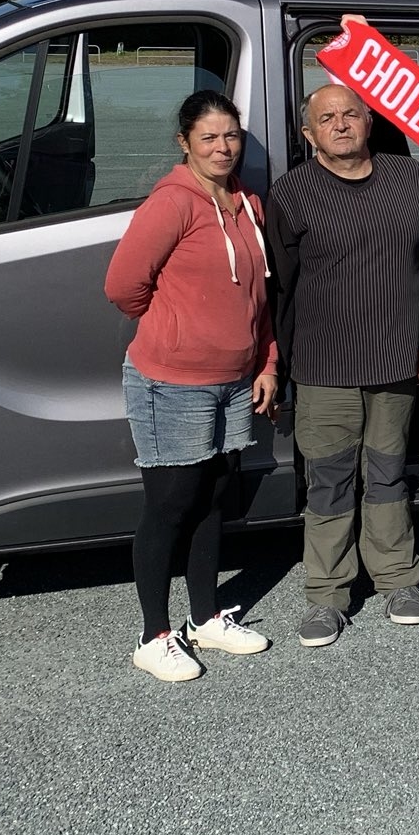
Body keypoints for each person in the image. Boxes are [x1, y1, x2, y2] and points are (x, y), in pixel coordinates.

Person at [266, 84, 419, 648]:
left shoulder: (410, 179)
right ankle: (327, 593)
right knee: (328, 479)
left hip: (398, 361)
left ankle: (398, 578)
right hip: (323, 366)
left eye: (351, 113)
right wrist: (277, 363)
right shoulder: (292, 194)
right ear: (310, 135)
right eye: (327, 118)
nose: (341, 124)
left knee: (388, 473)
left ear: (369, 120)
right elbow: (280, 289)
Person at [104, 91, 276, 682]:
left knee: (212, 497)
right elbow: (123, 286)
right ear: (185, 143)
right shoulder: (172, 203)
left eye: (230, 136)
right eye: (208, 138)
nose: (222, 147)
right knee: (171, 503)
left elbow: (259, 298)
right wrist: (178, 328)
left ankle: (205, 617)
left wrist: (267, 361)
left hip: (234, 381)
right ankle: (154, 634)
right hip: (172, 382)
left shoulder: (246, 203)